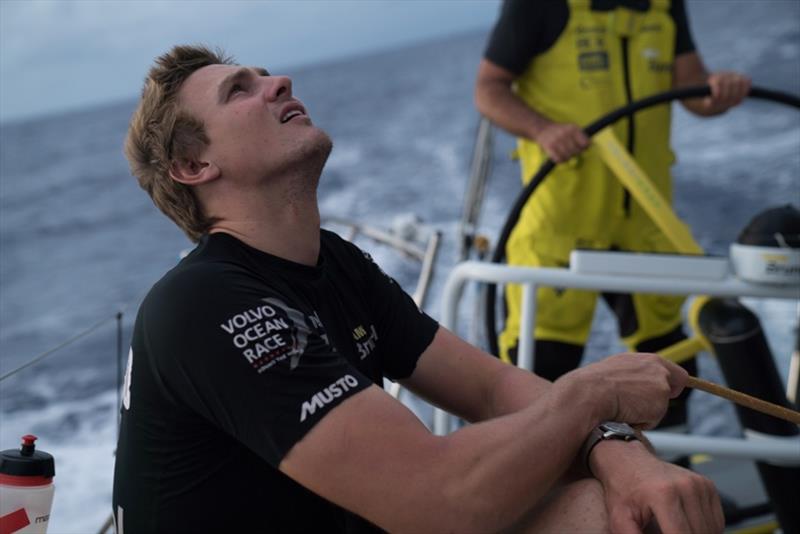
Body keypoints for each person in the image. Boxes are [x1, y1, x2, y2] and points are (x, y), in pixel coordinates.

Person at [112, 44, 724, 533]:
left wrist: (621, 453)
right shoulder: (204, 304)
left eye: (264, 75)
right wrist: (594, 393)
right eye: (238, 90)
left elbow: (489, 387)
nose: (279, 83)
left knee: (635, 512)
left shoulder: (338, 264)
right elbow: (442, 501)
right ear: (193, 168)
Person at [474, 0, 751, 447]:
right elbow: (489, 88)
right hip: (561, 223)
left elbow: (693, 87)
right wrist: (542, 129)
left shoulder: (665, 6)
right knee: (541, 372)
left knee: (670, 372)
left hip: (647, 220)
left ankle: (669, 482)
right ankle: (553, 501)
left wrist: (719, 89)